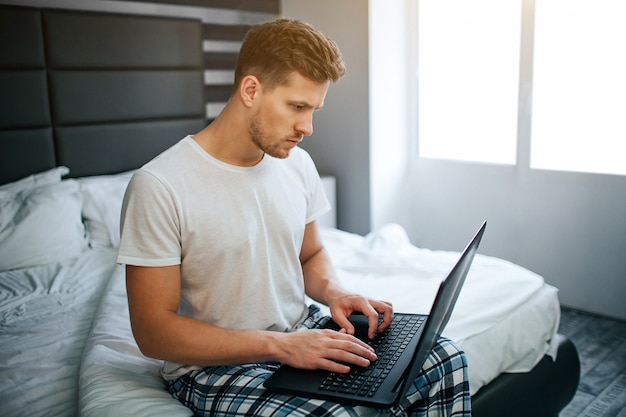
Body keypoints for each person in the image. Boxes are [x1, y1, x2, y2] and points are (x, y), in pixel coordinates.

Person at [117, 18, 470, 417]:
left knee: (444, 359)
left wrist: (335, 293)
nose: (308, 127)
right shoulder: (160, 185)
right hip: (214, 367)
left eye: (314, 109)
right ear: (251, 89)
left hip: (302, 331)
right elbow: (152, 332)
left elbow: (310, 255)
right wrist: (279, 346)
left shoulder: (297, 164)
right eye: (297, 107)